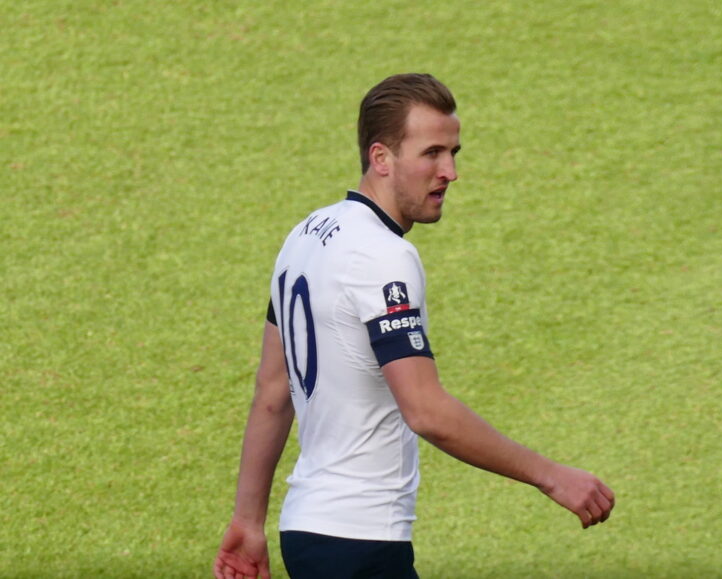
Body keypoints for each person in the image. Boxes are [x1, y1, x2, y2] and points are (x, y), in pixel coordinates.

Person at [213, 73, 615, 579]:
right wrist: (551, 476)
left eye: (454, 152)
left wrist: (249, 521)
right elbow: (426, 411)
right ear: (381, 158)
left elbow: (274, 389)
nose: (450, 171)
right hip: (362, 543)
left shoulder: (305, 235)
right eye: (431, 153)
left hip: (309, 532)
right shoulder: (385, 256)